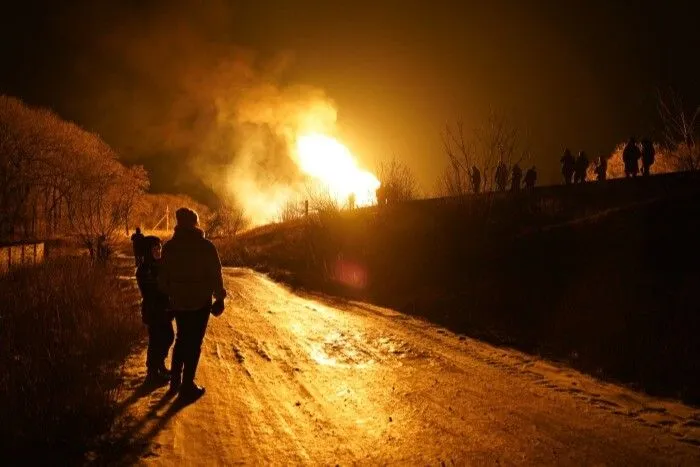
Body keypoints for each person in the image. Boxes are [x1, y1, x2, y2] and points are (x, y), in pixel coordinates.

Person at [158, 208, 226, 401]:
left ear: (178, 223)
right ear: (195, 223)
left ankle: (175, 382)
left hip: (178, 302)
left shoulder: (170, 247)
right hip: (200, 301)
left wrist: (169, 296)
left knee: (181, 339)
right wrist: (219, 298)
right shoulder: (206, 247)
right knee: (195, 343)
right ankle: (187, 385)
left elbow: (162, 279)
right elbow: (216, 274)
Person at [136, 236, 174, 385]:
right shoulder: (144, 269)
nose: (158, 251)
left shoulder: (162, 265)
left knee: (169, 336)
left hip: (164, 309)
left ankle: (159, 365)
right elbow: (151, 291)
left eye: (159, 248)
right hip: (154, 310)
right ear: (147, 251)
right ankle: (152, 371)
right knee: (156, 340)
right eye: (154, 249)